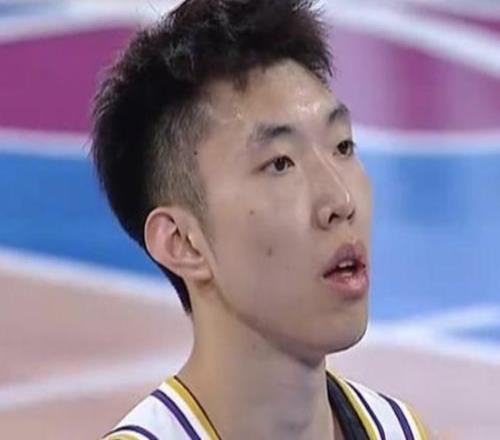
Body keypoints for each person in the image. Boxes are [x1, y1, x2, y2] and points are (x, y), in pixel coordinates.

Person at [92, 0, 433, 438]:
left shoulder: (403, 431)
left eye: (343, 147)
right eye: (280, 164)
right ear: (183, 242)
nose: (341, 200)